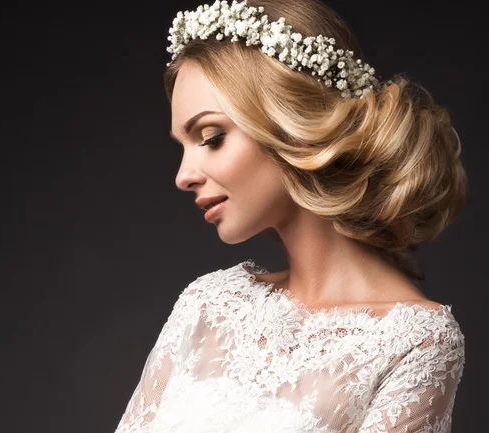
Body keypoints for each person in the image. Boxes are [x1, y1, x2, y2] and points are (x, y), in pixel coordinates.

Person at [114, 0, 467, 432]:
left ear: (291, 125)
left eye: (211, 137)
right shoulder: (207, 305)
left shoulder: (414, 341)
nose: (183, 176)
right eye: (181, 146)